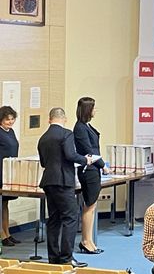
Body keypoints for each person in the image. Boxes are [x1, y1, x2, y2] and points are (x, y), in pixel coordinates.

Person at [38, 107, 90, 268]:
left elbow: (43, 163)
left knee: (53, 220)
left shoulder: (43, 137)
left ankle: (53, 258)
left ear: (49, 119)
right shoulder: (66, 133)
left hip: (48, 181)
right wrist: (85, 160)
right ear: (64, 119)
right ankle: (67, 258)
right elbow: (70, 155)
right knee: (71, 217)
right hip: (63, 181)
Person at [73, 96, 108, 254]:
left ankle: (89, 240)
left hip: (94, 169)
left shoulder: (86, 126)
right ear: (88, 110)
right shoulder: (80, 128)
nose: (96, 110)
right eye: (94, 108)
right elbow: (89, 150)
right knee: (89, 205)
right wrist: (103, 165)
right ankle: (86, 241)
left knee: (92, 206)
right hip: (88, 170)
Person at [0, 106, 20, 246]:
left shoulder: (11, 132)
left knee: (5, 204)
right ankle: (2, 235)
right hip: (0, 172)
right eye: (7, 119)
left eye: (12, 119)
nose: (10, 122)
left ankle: (7, 232)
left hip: (9, 172)